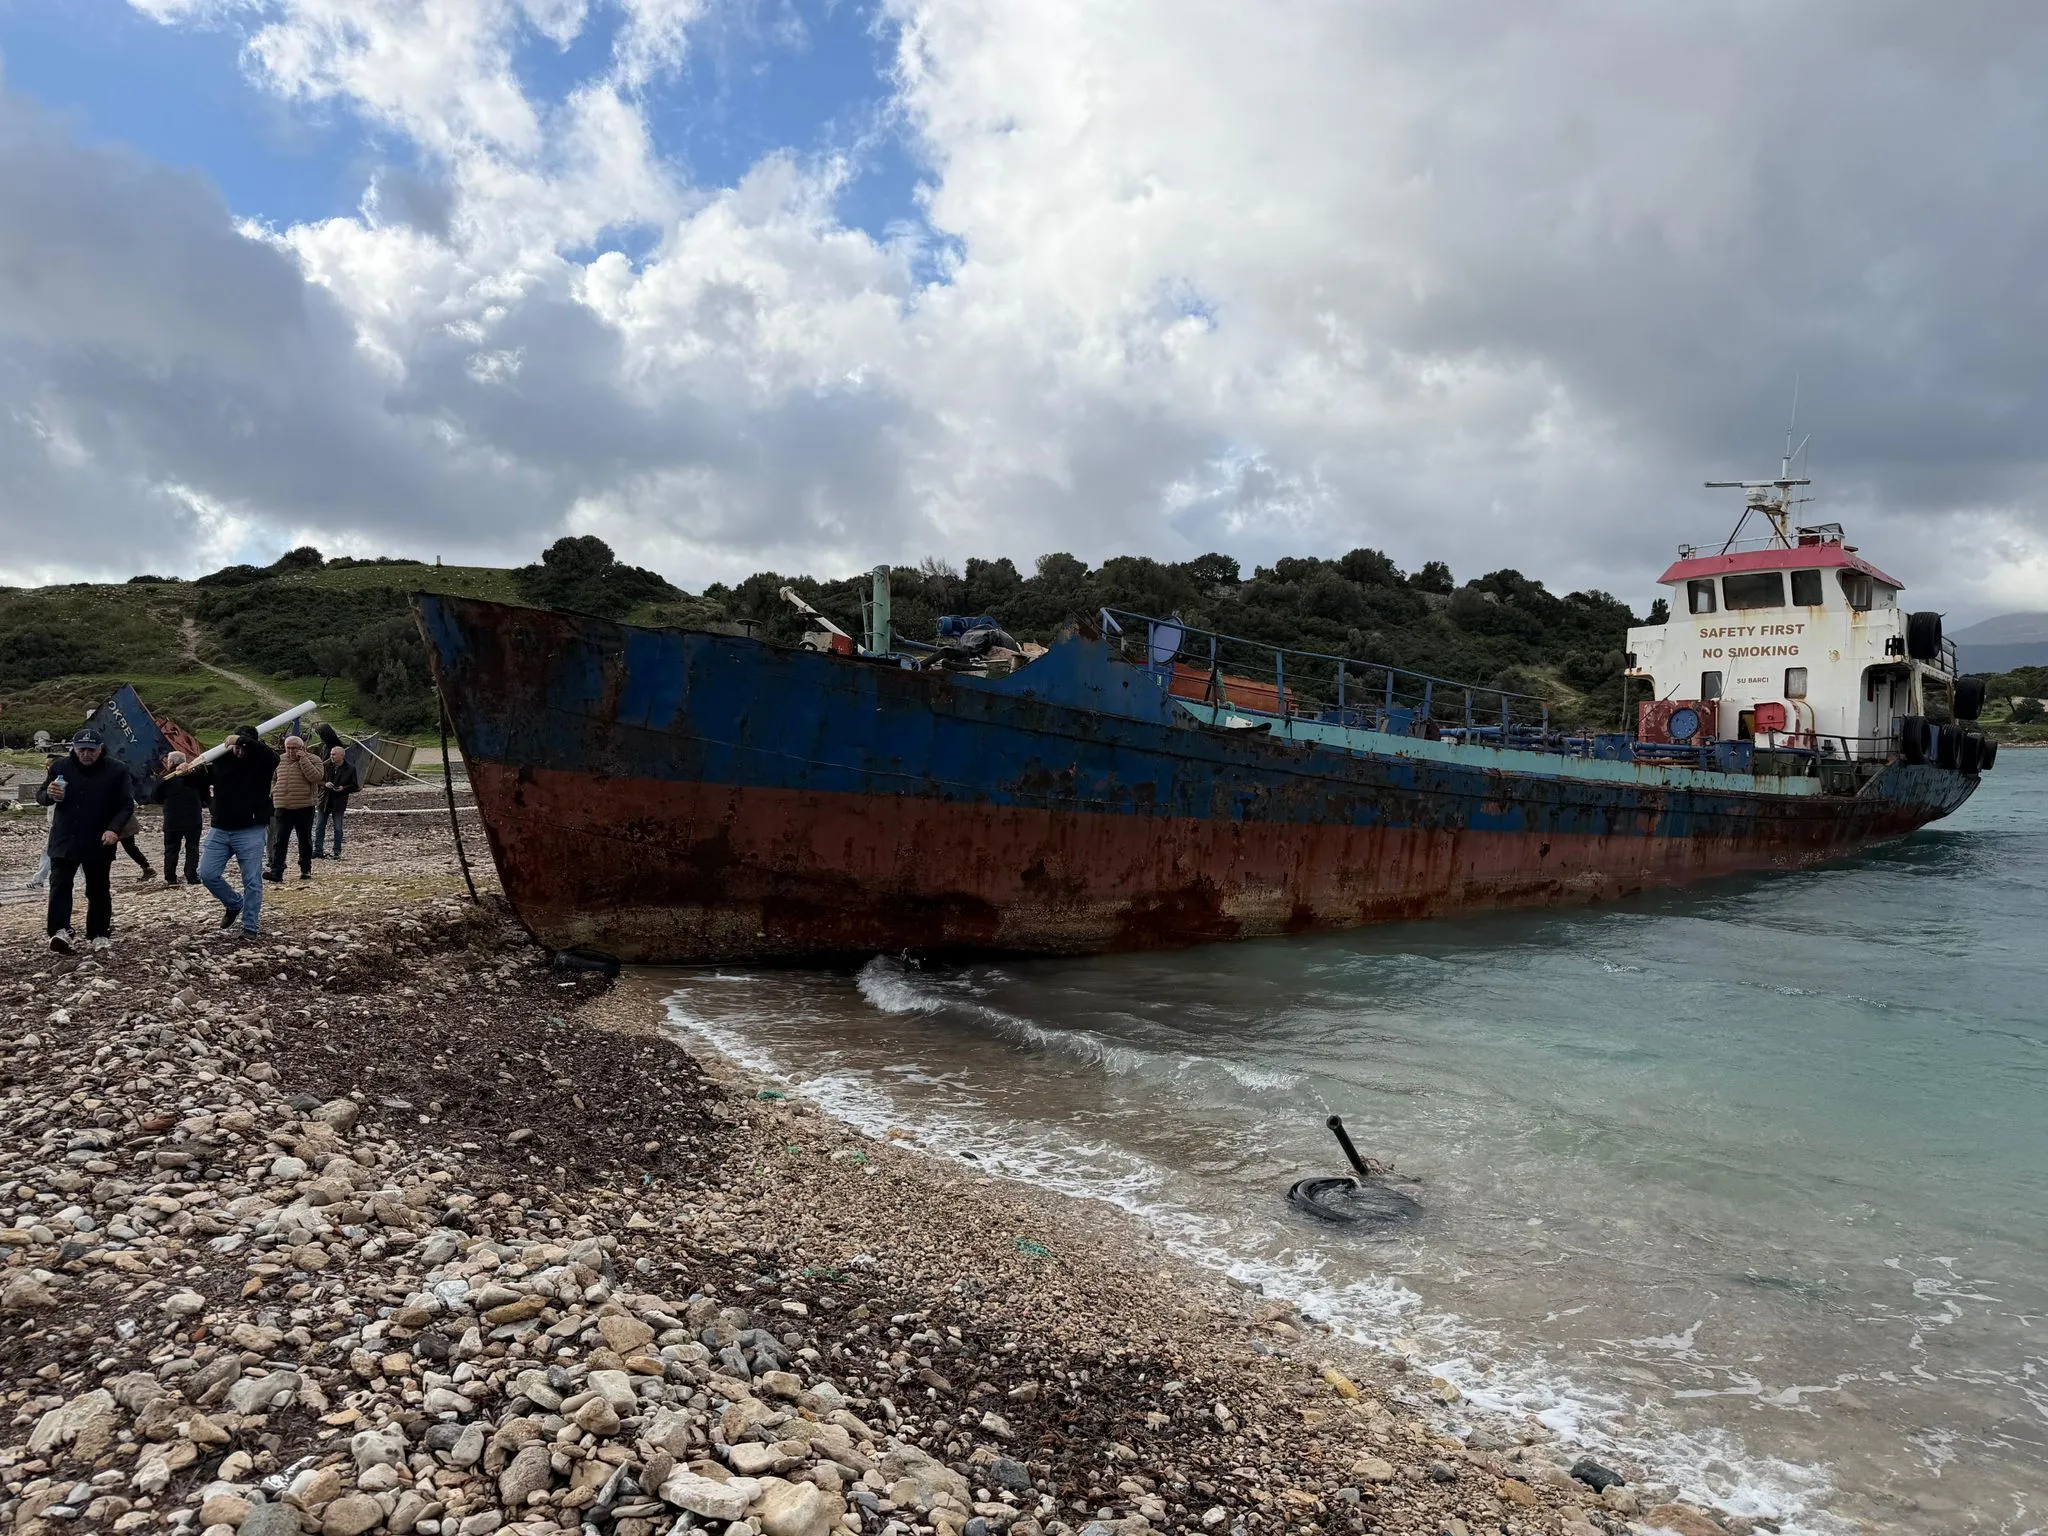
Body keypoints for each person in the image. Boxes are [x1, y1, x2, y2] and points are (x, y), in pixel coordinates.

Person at [36, 728, 134, 955]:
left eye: (92, 750)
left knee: (98, 889)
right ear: (74, 749)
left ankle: (99, 933)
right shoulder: (60, 766)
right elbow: (41, 796)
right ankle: (59, 931)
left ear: (101, 749)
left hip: (100, 838)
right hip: (64, 837)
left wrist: (114, 829)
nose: (86, 754)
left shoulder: (117, 769)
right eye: (82, 750)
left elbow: (126, 804)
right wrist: (50, 795)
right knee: (60, 885)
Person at [190, 726, 279, 936]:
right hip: (220, 828)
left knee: (252, 880)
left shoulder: (262, 762)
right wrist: (188, 773)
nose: (238, 750)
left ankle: (250, 926)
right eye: (235, 746)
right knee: (207, 874)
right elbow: (202, 781)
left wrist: (241, 739)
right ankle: (233, 903)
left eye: (243, 746)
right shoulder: (222, 760)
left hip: (251, 829)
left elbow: (272, 756)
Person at [266, 734, 323, 883]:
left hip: (304, 805)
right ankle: (276, 872)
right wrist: (274, 790)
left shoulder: (314, 759)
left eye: (294, 748)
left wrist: (303, 759)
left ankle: (305, 870)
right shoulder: (279, 760)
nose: (291, 751)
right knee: (280, 840)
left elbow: (316, 777)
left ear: (302, 747)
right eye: (288, 748)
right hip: (282, 805)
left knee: (304, 839)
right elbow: (273, 778)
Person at [153, 751, 208, 886]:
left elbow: (155, 796)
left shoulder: (165, 778)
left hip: (172, 818)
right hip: (193, 817)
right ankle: (191, 876)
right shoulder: (195, 776)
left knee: (171, 848)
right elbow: (204, 796)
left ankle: (171, 877)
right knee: (193, 848)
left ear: (170, 762)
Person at [312, 745, 359, 860]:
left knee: (338, 828)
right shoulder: (325, 766)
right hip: (325, 800)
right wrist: (324, 784)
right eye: (331, 754)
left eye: (334, 754)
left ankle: (337, 851)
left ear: (342, 756)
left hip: (339, 801)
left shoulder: (350, 769)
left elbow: (355, 786)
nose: (331, 756)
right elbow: (316, 779)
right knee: (319, 826)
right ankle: (318, 850)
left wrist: (344, 788)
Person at [114, 806, 157, 883]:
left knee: (129, 848)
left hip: (122, 824)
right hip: (121, 823)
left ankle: (147, 868)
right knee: (130, 848)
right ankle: (147, 868)